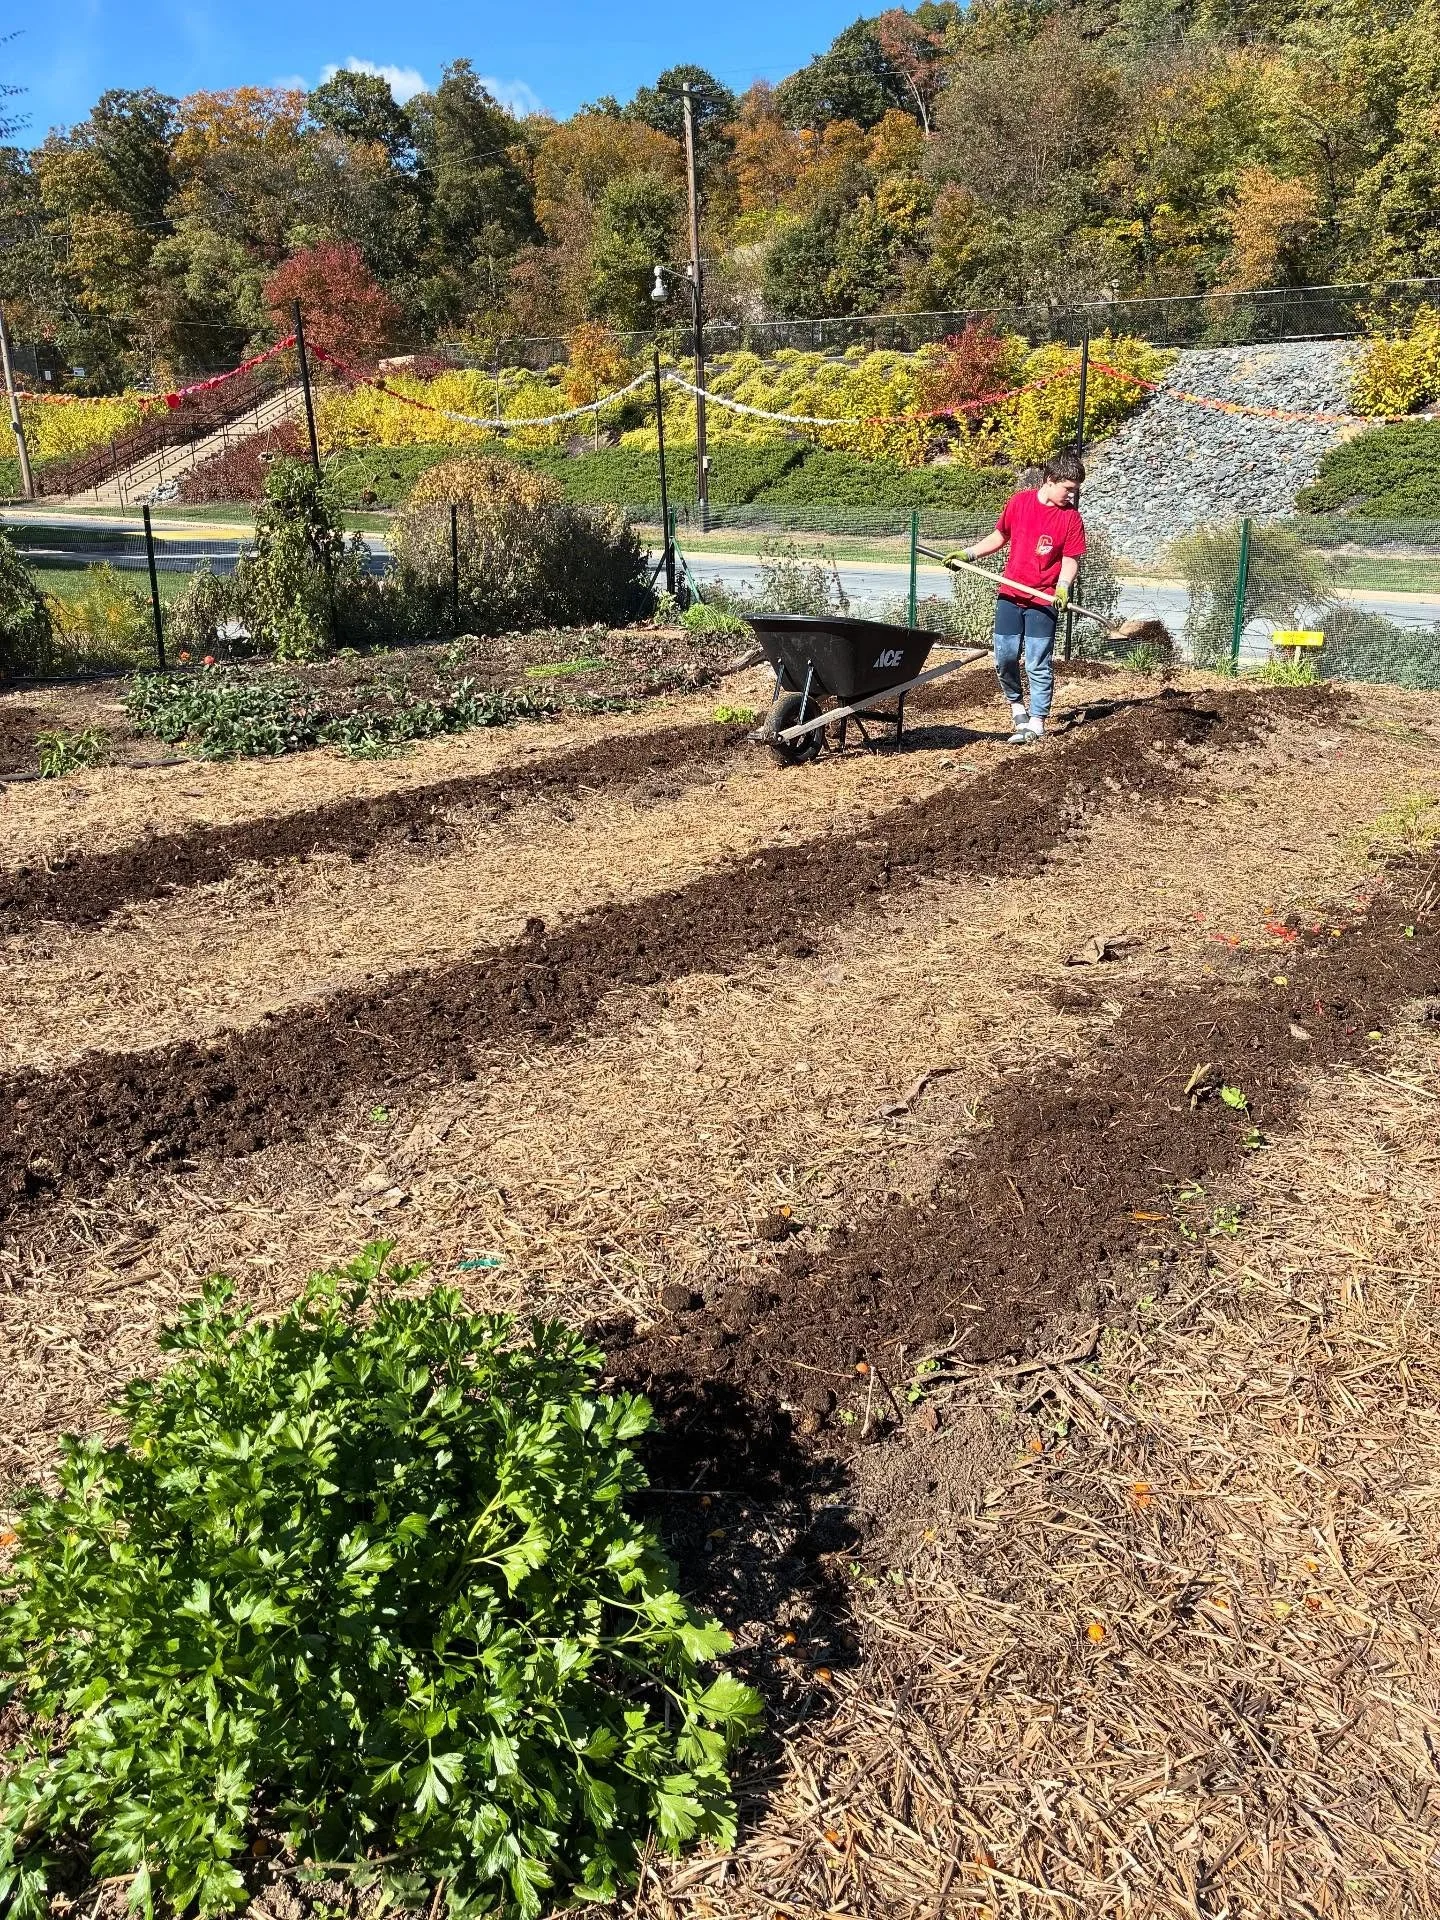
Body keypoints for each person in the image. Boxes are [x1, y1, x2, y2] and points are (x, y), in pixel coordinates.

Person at [949, 450, 1087, 745]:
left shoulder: (1071, 518)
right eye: (1069, 489)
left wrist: (1062, 587)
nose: (1072, 496)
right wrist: (968, 554)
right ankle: (1016, 706)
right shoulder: (1020, 503)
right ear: (1050, 480)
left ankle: (1037, 722)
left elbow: (1071, 559)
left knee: (1037, 662)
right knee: (1005, 656)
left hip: (1044, 599)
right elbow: (999, 537)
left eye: (1075, 491)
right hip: (1010, 594)